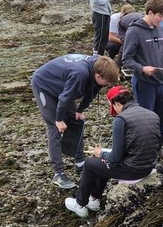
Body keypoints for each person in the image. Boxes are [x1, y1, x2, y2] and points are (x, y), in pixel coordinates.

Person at [65, 86, 162, 219]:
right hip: (148, 166)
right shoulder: (152, 114)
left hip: (133, 170)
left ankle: (80, 204)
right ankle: (94, 200)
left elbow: (115, 157)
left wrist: (101, 153)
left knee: (90, 163)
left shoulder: (121, 120)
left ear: (116, 103)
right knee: (103, 164)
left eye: (113, 106)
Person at [31, 53, 120, 189]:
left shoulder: (100, 67)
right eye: (107, 82)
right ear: (98, 76)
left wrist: (80, 110)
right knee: (55, 128)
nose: (108, 85)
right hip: (44, 85)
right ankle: (59, 173)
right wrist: (59, 119)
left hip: (63, 86)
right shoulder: (81, 74)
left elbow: (93, 90)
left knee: (76, 121)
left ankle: (80, 163)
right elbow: (65, 97)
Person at [121, 0, 163, 145]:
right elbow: (126, 59)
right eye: (160, 16)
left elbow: (161, 53)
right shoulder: (134, 31)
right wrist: (142, 68)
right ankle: (144, 150)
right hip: (143, 83)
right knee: (147, 121)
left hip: (160, 81)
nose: (161, 19)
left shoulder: (160, 30)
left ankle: (157, 146)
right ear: (150, 12)